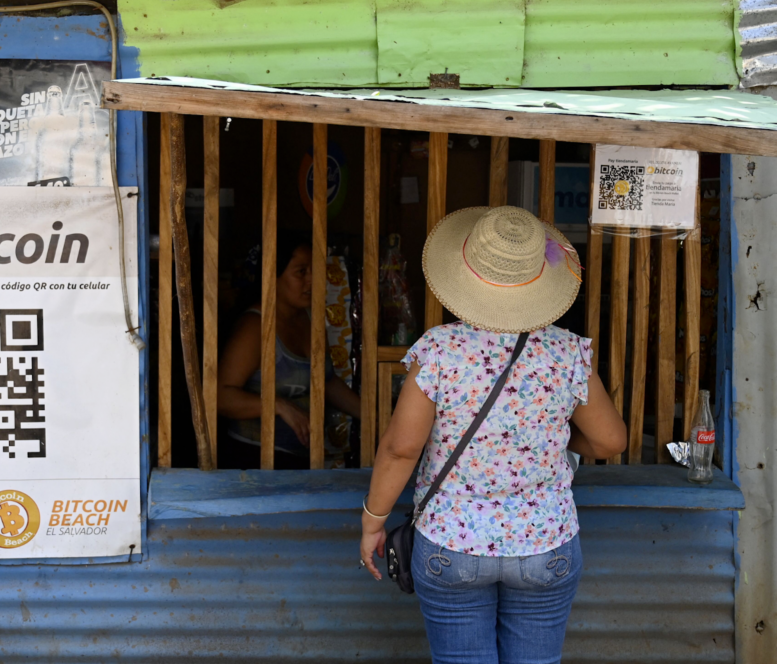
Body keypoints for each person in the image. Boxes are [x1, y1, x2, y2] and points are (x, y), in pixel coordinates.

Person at [359, 206, 627, 664]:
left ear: (465, 275)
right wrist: (553, 440)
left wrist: (372, 522)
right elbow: (609, 442)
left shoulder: (440, 350)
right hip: (546, 543)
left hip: (451, 543)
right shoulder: (567, 352)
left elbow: (401, 449)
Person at [218, 235, 361, 469]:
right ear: (272, 275)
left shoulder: (311, 319)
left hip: (303, 459)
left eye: (314, 270)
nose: (312, 280)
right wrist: (278, 405)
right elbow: (220, 397)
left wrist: (375, 419)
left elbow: (325, 381)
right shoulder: (255, 328)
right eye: (301, 272)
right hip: (252, 461)